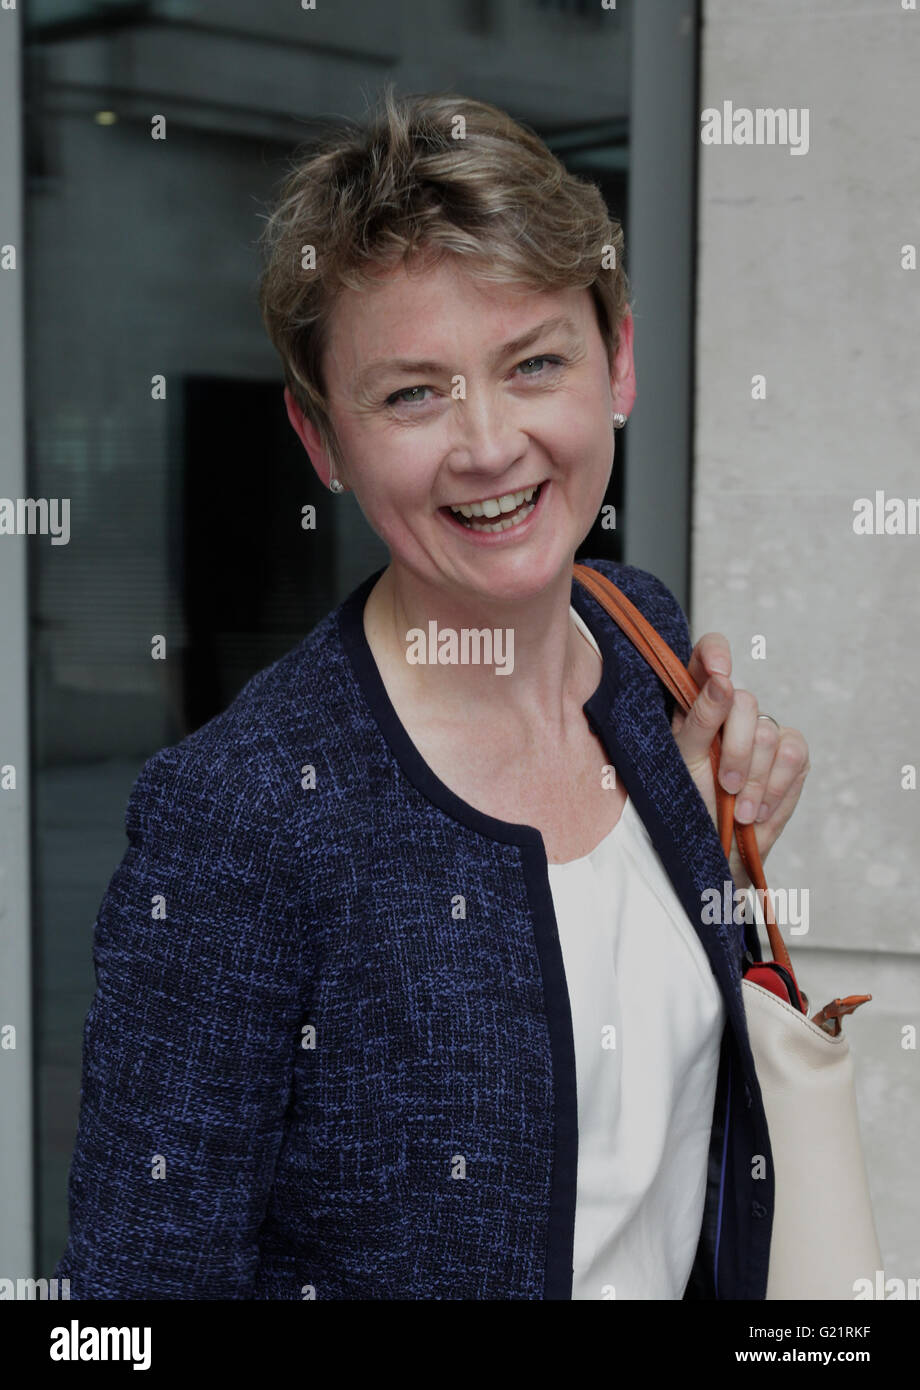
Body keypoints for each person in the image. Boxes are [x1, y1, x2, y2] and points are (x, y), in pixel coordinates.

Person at [55, 86, 810, 1300]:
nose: (487, 444)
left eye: (533, 363)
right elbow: (136, 1295)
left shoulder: (640, 637)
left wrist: (722, 835)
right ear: (322, 443)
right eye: (412, 391)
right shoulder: (243, 816)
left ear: (614, 362)